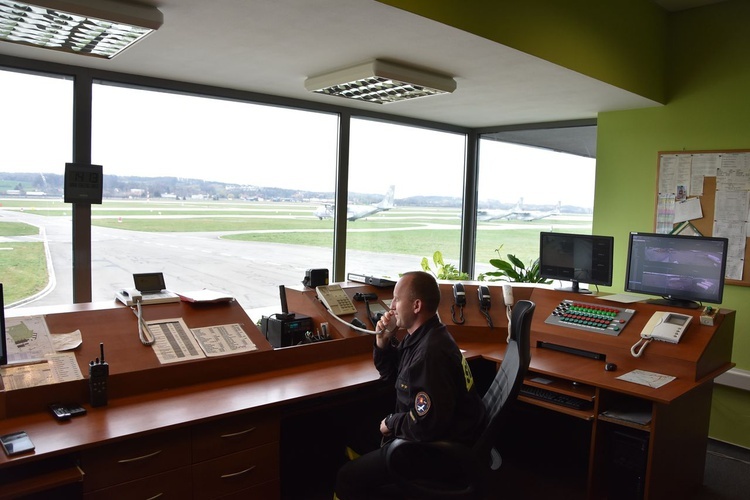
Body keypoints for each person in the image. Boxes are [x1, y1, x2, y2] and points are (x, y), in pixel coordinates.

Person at [335, 271, 487, 499]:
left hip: (431, 450)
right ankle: (374, 480)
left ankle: (367, 480)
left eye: (396, 299)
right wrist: (382, 342)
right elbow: (395, 377)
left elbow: (426, 424)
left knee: (346, 477)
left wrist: (391, 422)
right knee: (353, 432)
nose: (391, 306)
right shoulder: (425, 335)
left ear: (416, 306)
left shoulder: (430, 354)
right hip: (432, 435)